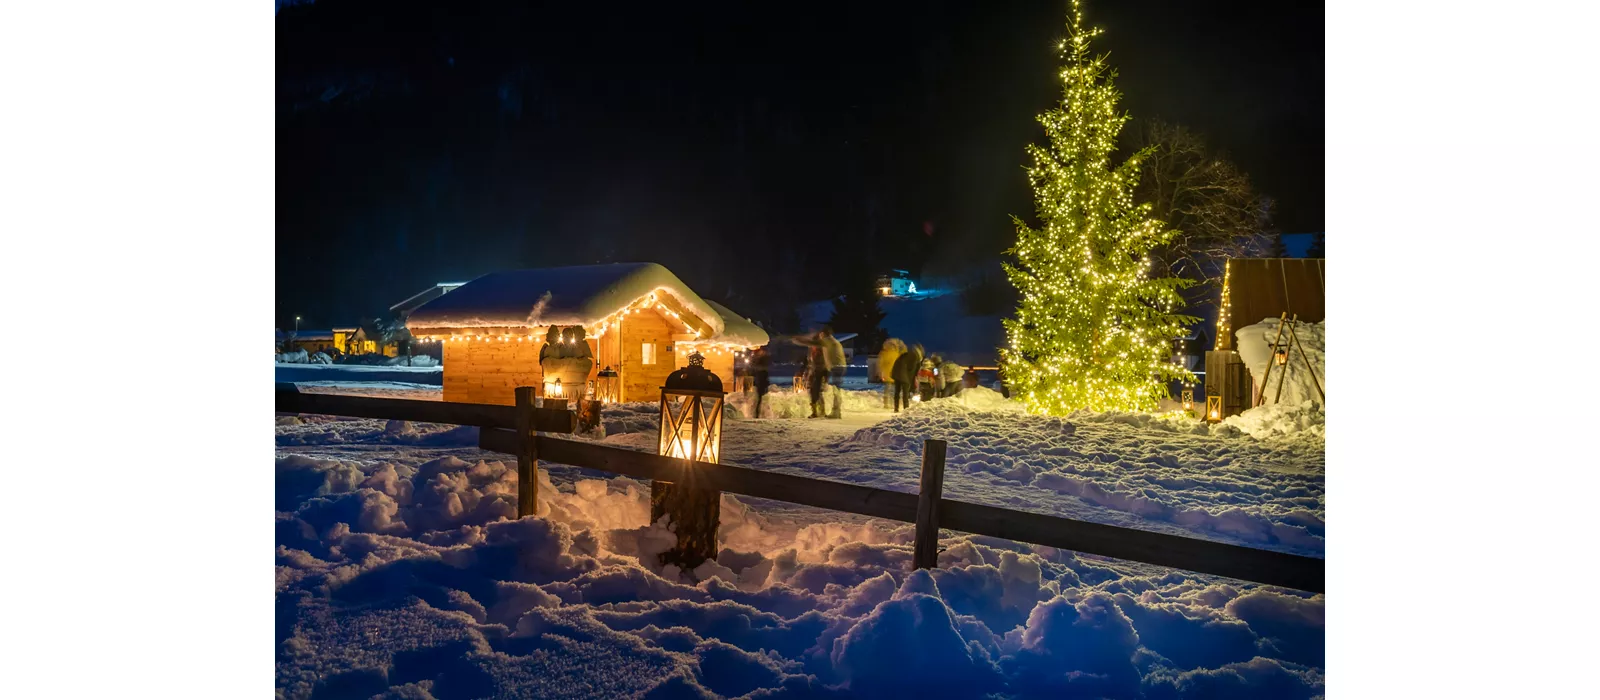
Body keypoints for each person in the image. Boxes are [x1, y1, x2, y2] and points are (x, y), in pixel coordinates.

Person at [889, 344, 924, 412]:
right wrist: (911, 385)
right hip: (903, 376)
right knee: (905, 393)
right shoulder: (915, 357)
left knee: (897, 392)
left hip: (896, 374)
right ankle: (906, 409)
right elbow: (912, 371)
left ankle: (896, 408)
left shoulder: (906, 354)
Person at [877, 338, 905, 409]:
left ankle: (888, 404)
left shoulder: (885, 353)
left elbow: (880, 364)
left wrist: (880, 372)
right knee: (893, 391)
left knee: (889, 391)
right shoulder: (895, 353)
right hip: (893, 375)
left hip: (889, 375)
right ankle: (890, 404)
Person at [749, 345, 772, 418]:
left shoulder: (760, 359)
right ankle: (759, 413)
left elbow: (754, 366)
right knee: (760, 398)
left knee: (759, 398)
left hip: (760, 380)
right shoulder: (763, 358)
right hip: (761, 380)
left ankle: (758, 413)